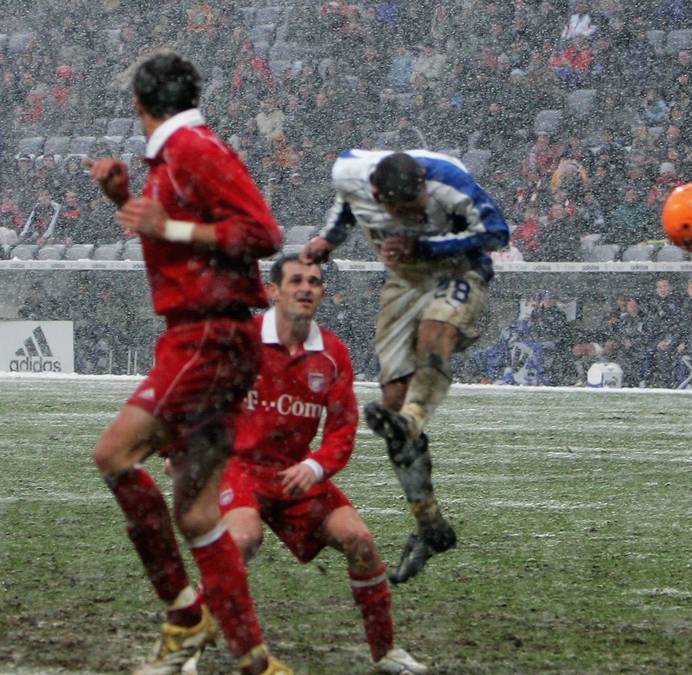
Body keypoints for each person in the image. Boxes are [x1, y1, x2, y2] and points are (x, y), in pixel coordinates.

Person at [88, 53, 288, 674]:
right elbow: (177, 232)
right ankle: (255, 661)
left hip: (207, 337)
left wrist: (170, 228)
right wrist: (127, 198)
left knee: (114, 455)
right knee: (200, 512)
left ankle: (183, 614)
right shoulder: (176, 157)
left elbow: (264, 233)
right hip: (213, 338)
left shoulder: (195, 149)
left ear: (139, 106)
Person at [300, 149, 509, 583]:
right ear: (380, 196)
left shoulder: (448, 181)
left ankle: (414, 417)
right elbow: (346, 200)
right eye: (404, 212)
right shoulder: (351, 173)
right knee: (392, 401)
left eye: (418, 206)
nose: (414, 214)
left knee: (435, 334)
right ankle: (429, 524)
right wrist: (329, 239)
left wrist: (426, 243)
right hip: (405, 282)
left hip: (458, 271)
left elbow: (497, 230)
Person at [217, 255, 429, 674]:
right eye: (296, 280)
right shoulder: (241, 340)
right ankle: (194, 641)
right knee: (241, 540)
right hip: (239, 466)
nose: (306, 288)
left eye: (314, 281)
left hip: (295, 472)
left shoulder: (332, 354)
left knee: (360, 540)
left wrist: (314, 467)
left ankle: (385, 652)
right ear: (272, 290)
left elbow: (341, 432)